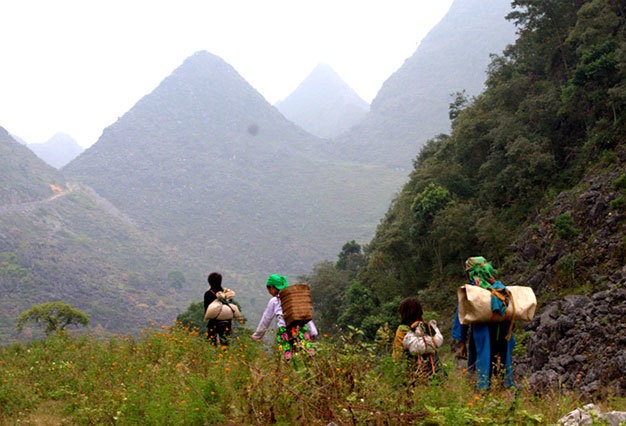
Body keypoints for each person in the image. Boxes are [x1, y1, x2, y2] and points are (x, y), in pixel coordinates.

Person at [452, 256, 516, 390]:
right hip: (503, 332)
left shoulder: (472, 291)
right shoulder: (499, 287)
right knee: (504, 360)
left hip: (482, 333)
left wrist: (462, 341)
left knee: (481, 357)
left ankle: (482, 388)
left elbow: (461, 315)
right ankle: (506, 385)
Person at [250, 274, 318, 360]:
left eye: (268, 289)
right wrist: (313, 331)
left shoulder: (274, 301)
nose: (269, 292)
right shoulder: (294, 299)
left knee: (287, 358)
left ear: (272, 287)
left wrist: (257, 336)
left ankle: (290, 372)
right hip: (301, 328)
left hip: (284, 331)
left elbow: (266, 319)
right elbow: (304, 315)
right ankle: (311, 371)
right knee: (307, 355)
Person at [392, 297, 443, 379]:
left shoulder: (402, 329)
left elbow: (398, 353)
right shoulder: (425, 326)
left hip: (408, 370)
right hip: (429, 369)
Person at [204, 272, 233, 346]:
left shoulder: (208, 294)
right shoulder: (226, 294)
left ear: (209, 282)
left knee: (211, 344)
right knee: (225, 344)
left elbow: (206, 311)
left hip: (213, 322)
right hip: (227, 323)